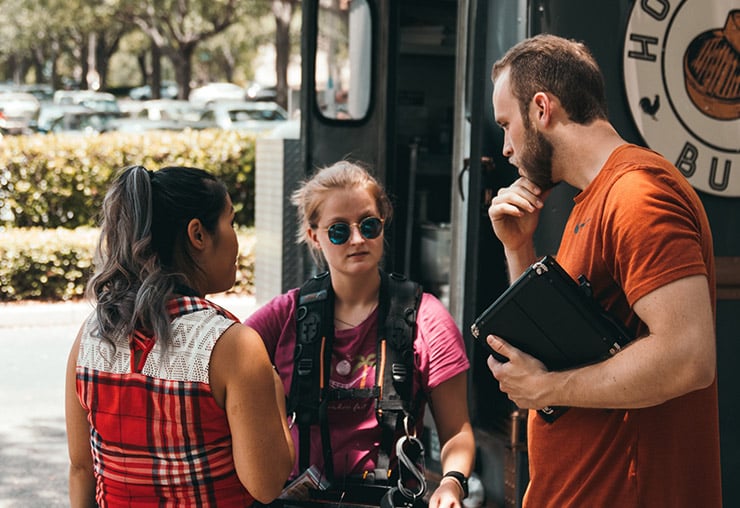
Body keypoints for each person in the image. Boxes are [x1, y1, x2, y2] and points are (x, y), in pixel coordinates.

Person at [485, 34, 721, 507]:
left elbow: (688, 356)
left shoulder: (636, 195)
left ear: (541, 109)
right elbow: (552, 342)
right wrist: (519, 248)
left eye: (506, 125)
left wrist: (547, 389)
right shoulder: (591, 199)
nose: (507, 149)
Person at [244, 161, 475, 508]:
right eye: (338, 230)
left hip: (389, 499)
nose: (357, 240)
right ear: (314, 236)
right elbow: (221, 364)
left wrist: (452, 484)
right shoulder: (285, 315)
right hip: (301, 498)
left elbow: (457, 431)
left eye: (369, 225)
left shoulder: (426, 318)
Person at [65, 165, 295, 507]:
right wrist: (273, 388)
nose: (237, 240)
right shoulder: (233, 346)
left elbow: (82, 469)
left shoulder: (92, 335)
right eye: (230, 222)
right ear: (198, 234)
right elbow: (267, 484)